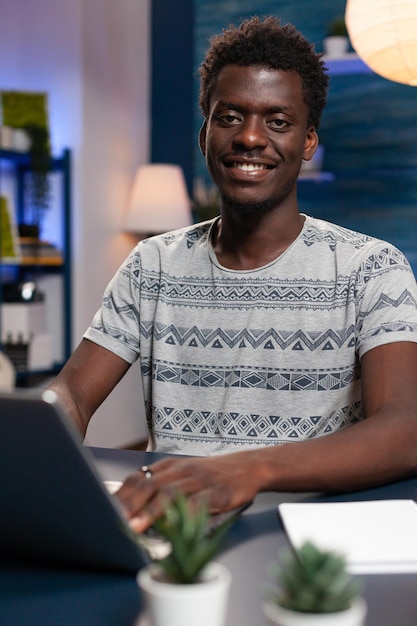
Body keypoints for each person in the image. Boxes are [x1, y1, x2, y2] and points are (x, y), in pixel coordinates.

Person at [48, 15, 417, 532]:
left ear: (308, 142)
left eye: (278, 121)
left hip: (304, 535)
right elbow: (75, 393)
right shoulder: (151, 264)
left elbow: (404, 431)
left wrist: (246, 469)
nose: (250, 137)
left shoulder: (372, 268)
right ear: (205, 134)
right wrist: (44, 423)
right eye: (230, 117)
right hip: (176, 525)